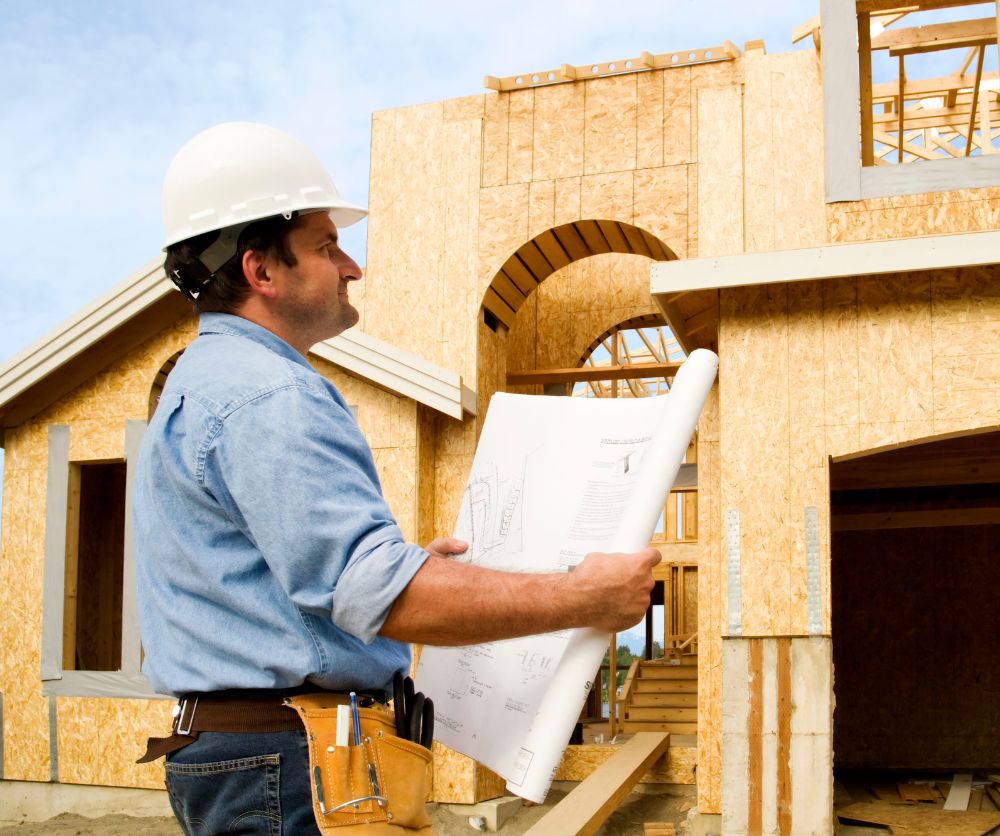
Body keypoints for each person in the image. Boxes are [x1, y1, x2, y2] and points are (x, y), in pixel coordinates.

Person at [134, 121, 660, 834]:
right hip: (292, 764)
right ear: (261, 271)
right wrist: (584, 596)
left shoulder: (206, 383)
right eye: (325, 247)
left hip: (250, 755)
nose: (352, 266)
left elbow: (289, 584)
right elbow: (380, 596)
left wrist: (406, 575)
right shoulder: (270, 394)